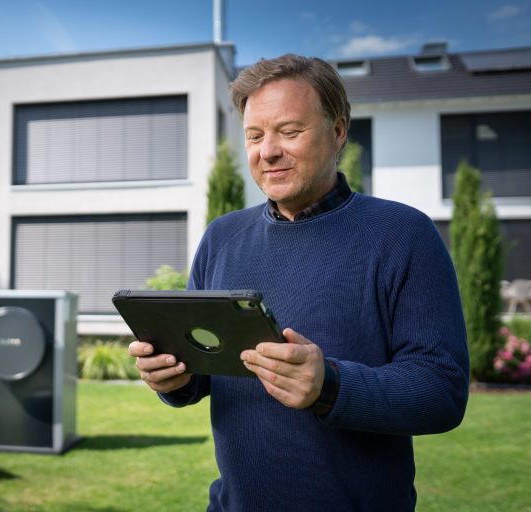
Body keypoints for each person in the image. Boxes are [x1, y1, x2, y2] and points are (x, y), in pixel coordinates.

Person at [128, 54, 469, 511]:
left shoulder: (403, 234)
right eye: (255, 135)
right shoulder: (222, 237)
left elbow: (441, 391)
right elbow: (206, 370)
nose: (267, 150)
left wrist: (330, 385)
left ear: (338, 132)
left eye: (289, 132)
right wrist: (173, 378)